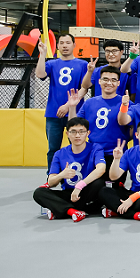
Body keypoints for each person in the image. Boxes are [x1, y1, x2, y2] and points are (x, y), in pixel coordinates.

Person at [33, 117, 106, 221]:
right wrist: (61, 175)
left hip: (86, 193)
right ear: (67, 134)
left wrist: (80, 186)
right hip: (69, 193)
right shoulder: (59, 154)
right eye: (73, 132)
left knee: (99, 183)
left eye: (81, 132)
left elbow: (101, 169)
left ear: (88, 133)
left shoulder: (95, 148)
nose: (77, 135)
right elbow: (51, 182)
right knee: (39, 193)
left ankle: (60, 209)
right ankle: (72, 211)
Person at [35, 35, 88, 170]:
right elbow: (40, 74)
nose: (65, 45)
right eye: (62, 43)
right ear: (57, 46)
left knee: (78, 146)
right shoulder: (52, 64)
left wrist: (68, 105)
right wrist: (42, 54)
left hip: (75, 113)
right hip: (54, 114)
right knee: (53, 149)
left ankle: (78, 175)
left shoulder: (82, 64)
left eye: (68, 43)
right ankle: (52, 175)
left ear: (74, 45)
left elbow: (84, 88)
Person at [68, 66, 128, 185]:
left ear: (118, 83)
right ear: (99, 81)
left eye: (113, 80)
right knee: (95, 187)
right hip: (93, 153)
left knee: (115, 191)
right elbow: (74, 126)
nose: (109, 83)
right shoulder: (89, 103)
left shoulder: (126, 103)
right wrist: (72, 107)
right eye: (105, 79)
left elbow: (131, 128)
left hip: (116, 154)